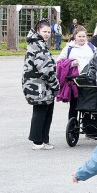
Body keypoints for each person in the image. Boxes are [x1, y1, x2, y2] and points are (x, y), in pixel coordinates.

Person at [22, 20, 60, 149]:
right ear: (38, 31)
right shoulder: (38, 45)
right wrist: (55, 84)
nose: (47, 34)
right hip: (38, 85)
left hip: (41, 85)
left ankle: (44, 139)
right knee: (41, 112)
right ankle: (37, 141)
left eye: (49, 32)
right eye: (44, 31)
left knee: (46, 111)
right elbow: (46, 69)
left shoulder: (38, 44)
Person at [60, 25, 96, 123]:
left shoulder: (91, 47)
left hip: (88, 80)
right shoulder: (69, 48)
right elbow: (59, 62)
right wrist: (71, 63)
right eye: (79, 36)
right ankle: (72, 125)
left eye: (83, 36)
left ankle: (87, 127)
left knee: (88, 104)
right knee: (74, 105)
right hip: (73, 79)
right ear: (75, 36)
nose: (81, 38)